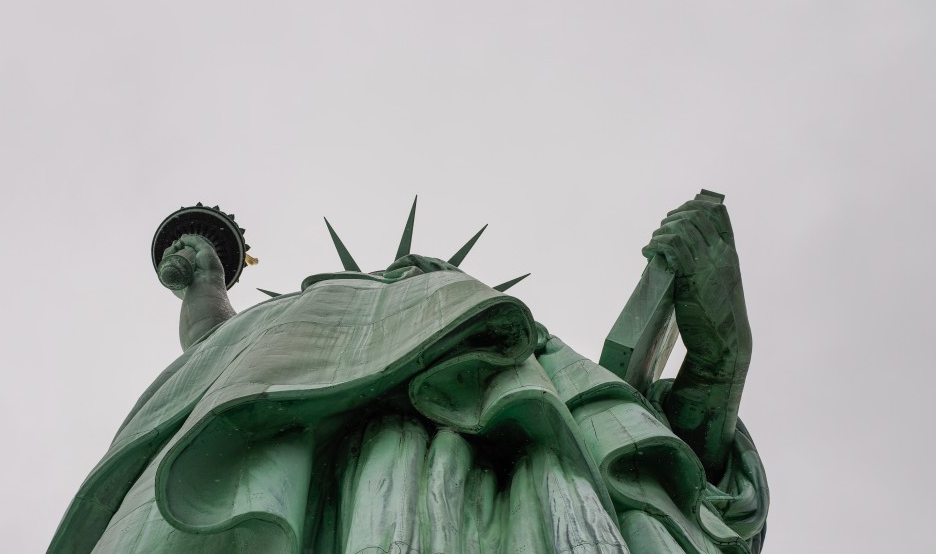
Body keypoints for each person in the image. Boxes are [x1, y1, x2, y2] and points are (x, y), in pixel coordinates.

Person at [49, 198, 768, 554]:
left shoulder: (525, 355)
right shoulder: (304, 322)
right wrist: (204, 282)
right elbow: (214, 360)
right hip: (326, 466)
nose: (409, 279)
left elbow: (665, 459)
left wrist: (720, 334)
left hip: (504, 469)